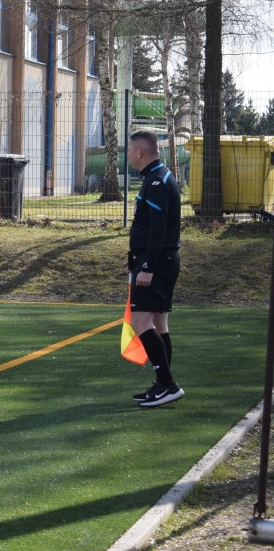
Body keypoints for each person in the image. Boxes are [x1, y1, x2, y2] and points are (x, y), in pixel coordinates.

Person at [125, 129, 184, 407]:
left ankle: (168, 385)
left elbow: (159, 228)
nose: (127, 154)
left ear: (140, 152)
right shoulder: (158, 176)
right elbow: (151, 227)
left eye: (129, 149)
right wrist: (136, 258)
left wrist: (147, 264)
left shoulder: (158, 181)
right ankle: (164, 385)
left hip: (157, 264)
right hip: (159, 260)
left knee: (141, 322)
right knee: (159, 323)